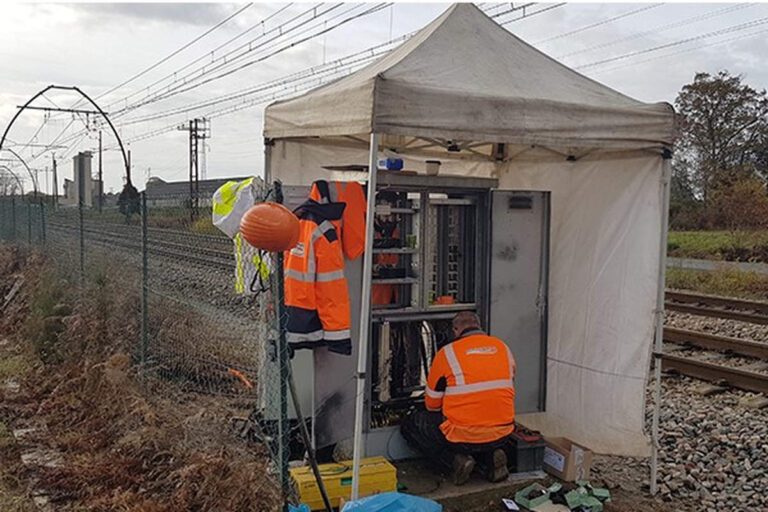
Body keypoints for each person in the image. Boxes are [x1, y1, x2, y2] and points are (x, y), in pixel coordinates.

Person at [401, 311, 516, 485]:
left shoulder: (447, 353)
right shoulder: (503, 348)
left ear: (455, 330)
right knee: (482, 431)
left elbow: (432, 404)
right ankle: (492, 457)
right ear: (478, 326)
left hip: (461, 437)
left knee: (412, 424)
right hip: (502, 432)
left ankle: (455, 462)